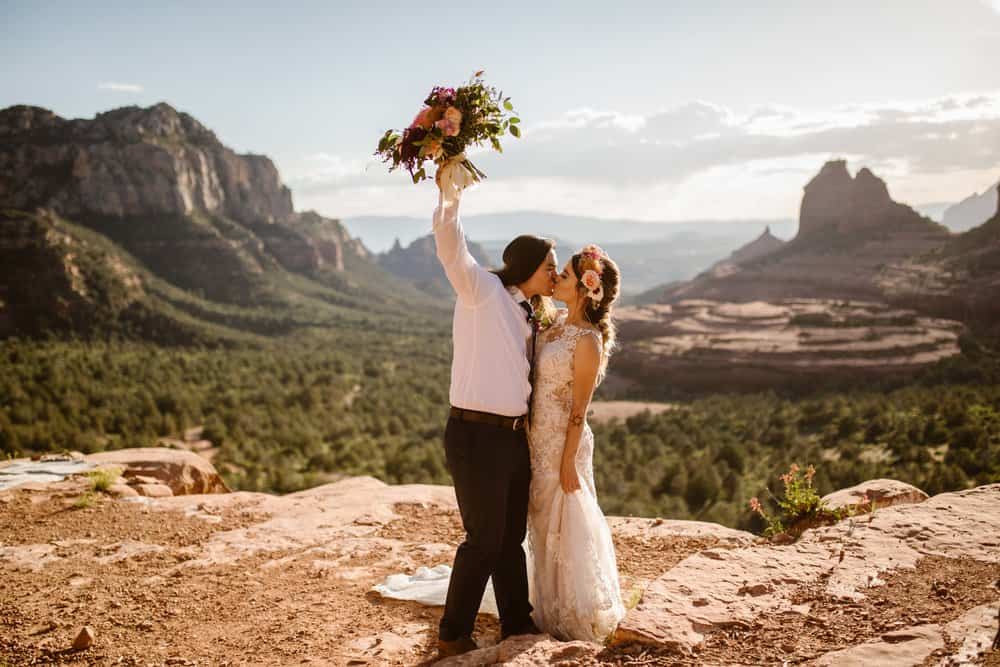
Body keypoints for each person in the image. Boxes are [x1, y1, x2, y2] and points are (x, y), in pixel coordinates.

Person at [432, 162, 557, 658]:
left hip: (512, 437)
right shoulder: (481, 291)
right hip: (475, 436)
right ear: (528, 265)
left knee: (510, 540)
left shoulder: (531, 310)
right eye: (551, 265)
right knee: (482, 538)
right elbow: (450, 248)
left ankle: (516, 624)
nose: (554, 272)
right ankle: (452, 634)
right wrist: (449, 193)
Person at [524, 244, 626, 641]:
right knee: (540, 520)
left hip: (563, 444)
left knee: (564, 522)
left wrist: (568, 460)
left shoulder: (587, 341)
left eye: (564, 275)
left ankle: (570, 611)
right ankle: (542, 601)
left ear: (586, 288)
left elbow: (579, 410)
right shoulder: (555, 326)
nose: (557, 280)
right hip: (537, 438)